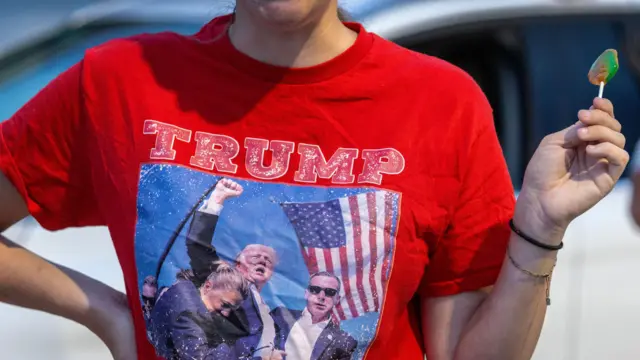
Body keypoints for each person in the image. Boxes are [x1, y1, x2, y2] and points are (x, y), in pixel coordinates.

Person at [0, 1, 628, 360]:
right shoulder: (119, 81)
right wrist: (103, 311)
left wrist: (539, 229)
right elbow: (196, 253)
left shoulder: (442, 104)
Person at [184, 177, 282, 359]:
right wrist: (217, 200)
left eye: (267, 260)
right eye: (254, 257)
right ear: (237, 262)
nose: (261, 260)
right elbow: (197, 245)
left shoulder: (267, 309)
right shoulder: (223, 282)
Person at [148, 261, 250, 360]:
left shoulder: (187, 286)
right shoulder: (188, 316)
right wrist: (234, 347)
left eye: (232, 309)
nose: (226, 313)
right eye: (225, 304)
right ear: (207, 286)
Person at [271, 272, 357, 360]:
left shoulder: (344, 341)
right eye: (315, 290)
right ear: (306, 294)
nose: (321, 296)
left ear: (337, 299)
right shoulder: (279, 315)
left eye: (330, 292)